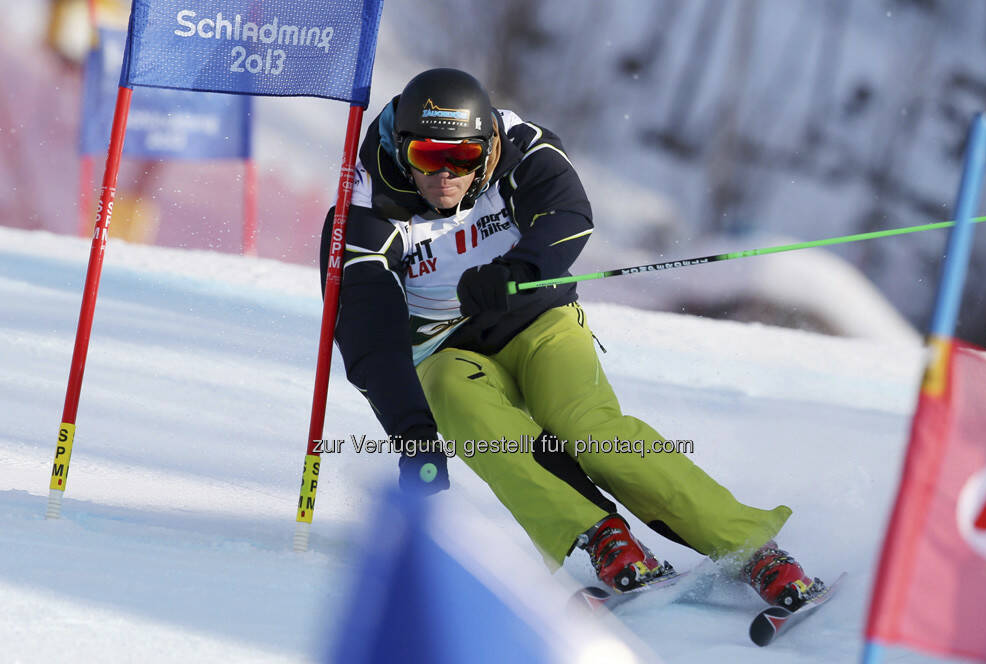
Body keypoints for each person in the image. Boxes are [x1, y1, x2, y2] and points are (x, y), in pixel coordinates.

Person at [320, 67, 820, 606]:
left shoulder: (519, 145)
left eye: (461, 159)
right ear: (402, 149)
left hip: (538, 320)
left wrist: (520, 269)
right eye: (426, 157)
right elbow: (367, 332)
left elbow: (567, 213)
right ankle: (603, 537)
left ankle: (753, 548)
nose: (444, 177)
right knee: (460, 405)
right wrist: (411, 433)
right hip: (446, 348)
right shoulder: (365, 209)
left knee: (587, 429)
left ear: (486, 148)